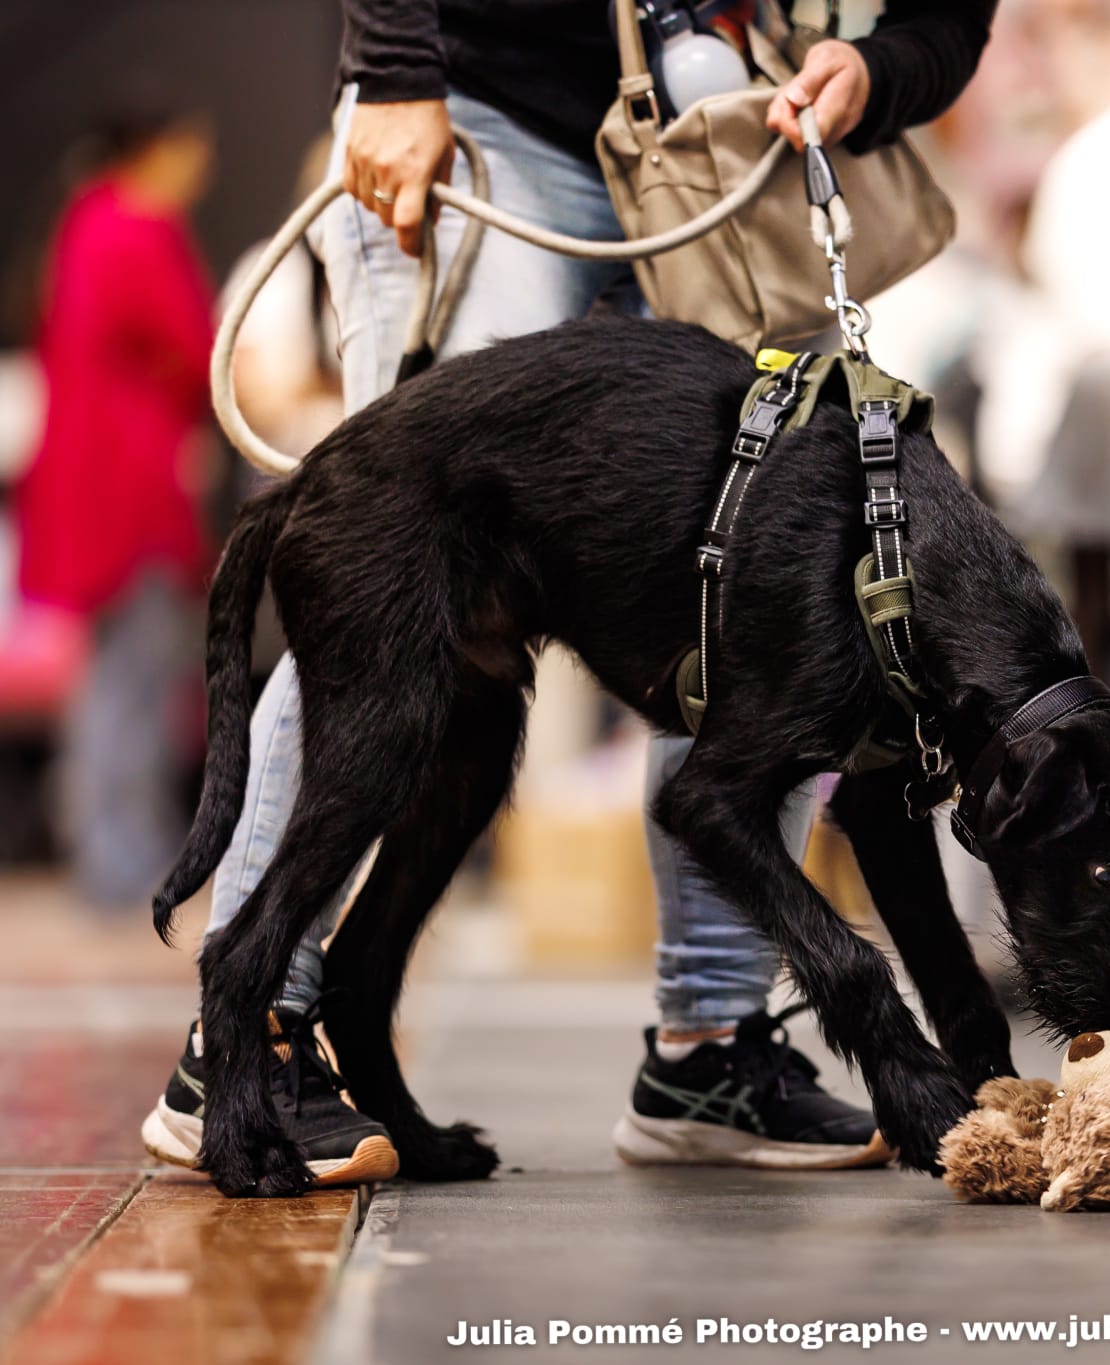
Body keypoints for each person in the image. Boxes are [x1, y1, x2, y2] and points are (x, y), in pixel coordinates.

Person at [140, 0, 997, 1187]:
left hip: (728, 130)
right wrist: (394, 69)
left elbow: (945, 18)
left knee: (762, 615)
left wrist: (876, 67)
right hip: (489, 106)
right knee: (389, 601)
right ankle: (251, 1037)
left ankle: (709, 1052)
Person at [16, 110, 216, 907]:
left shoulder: (82, 225)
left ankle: (113, 855)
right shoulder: (138, 228)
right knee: (136, 680)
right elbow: (198, 348)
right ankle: (125, 863)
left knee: (111, 680)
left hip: (87, 492)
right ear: (158, 150)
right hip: (133, 493)